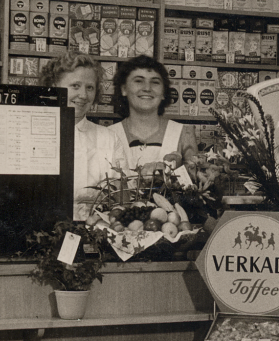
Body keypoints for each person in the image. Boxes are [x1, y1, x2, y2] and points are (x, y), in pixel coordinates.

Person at [38, 52, 126, 221]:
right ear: (54, 86)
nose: (84, 95)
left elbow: (121, 199)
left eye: (90, 87)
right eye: (75, 86)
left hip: (97, 232)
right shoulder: (32, 133)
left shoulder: (109, 138)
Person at [109, 55, 197, 172]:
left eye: (155, 82)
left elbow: (195, 182)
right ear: (124, 89)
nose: (147, 88)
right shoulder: (109, 135)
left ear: (163, 92)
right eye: (139, 81)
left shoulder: (183, 134)